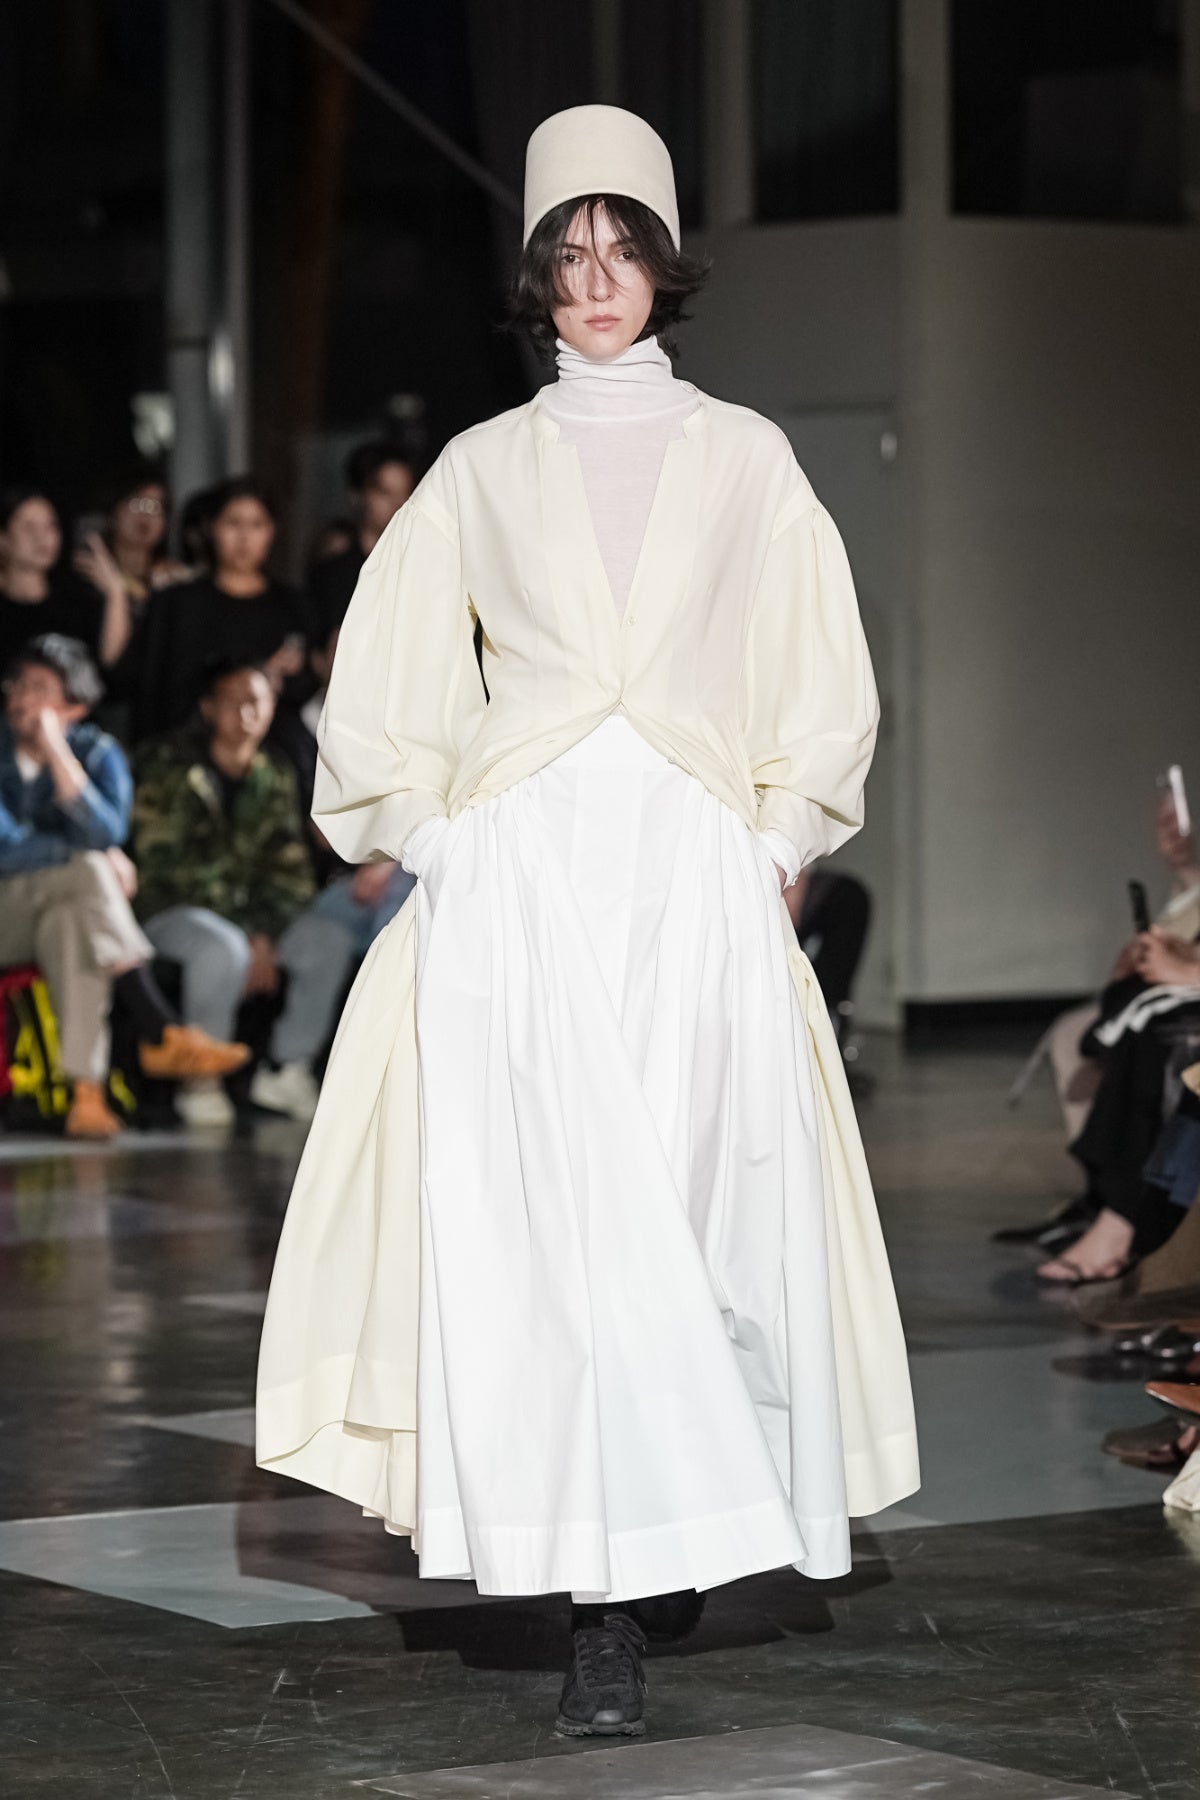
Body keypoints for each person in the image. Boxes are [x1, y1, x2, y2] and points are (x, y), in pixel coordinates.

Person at [255, 105, 918, 1739]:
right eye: (572, 250)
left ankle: (664, 1524)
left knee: (691, 1210)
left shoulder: (746, 456)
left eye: (625, 246)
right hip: (529, 878)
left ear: (666, 264)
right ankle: (599, 1606)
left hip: (690, 875)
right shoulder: (484, 469)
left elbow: (821, 666)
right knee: (555, 1232)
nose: (600, 277)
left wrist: (774, 839)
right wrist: (438, 838)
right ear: (539, 274)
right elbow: (383, 673)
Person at [0, 635, 249, 1139]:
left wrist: (57, 753)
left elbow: (109, 830)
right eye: (19, 686)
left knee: (71, 925)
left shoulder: (96, 752)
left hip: (58, 913)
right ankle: (161, 1029)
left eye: (40, 689)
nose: (23, 698)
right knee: (90, 870)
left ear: (75, 706)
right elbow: (6, 851)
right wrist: (85, 853)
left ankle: (86, 1097)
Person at [131, 659, 356, 1126]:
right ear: (209, 708)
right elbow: (165, 865)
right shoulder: (167, 765)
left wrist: (265, 933)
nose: (247, 713)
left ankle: (285, 1069)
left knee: (327, 939)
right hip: (170, 911)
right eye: (233, 702)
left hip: (252, 923)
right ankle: (201, 1080)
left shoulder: (273, 772)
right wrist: (252, 934)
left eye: (257, 702)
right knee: (221, 947)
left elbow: (289, 871)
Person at [121, 477, 310, 745]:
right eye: (233, 523)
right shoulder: (176, 603)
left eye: (256, 525)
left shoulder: (293, 606)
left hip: (274, 754)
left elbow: (311, 687)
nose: (244, 537)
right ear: (212, 528)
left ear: (271, 531)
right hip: (184, 751)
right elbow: (149, 689)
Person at [0, 487, 131, 676]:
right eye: (29, 527)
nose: (42, 537)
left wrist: (115, 593)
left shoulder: (76, 602)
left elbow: (112, 665)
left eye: (51, 526)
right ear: (3, 538)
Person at [306, 440, 417, 647]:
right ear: (358, 495)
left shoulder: (424, 567)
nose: (399, 503)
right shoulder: (332, 575)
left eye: (407, 493)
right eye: (385, 492)